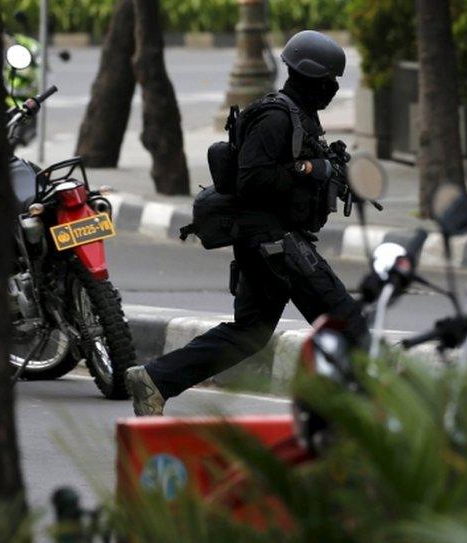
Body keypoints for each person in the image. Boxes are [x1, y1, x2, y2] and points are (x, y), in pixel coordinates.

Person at [124, 30, 368, 416]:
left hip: (271, 241)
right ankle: (354, 418)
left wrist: (331, 172)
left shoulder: (299, 116)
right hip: (274, 243)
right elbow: (251, 181)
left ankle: (155, 379)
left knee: (249, 334)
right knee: (347, 324)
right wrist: (308, 169)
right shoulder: (275, 117)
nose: (334, 88)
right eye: (329, 81)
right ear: (311, 78)